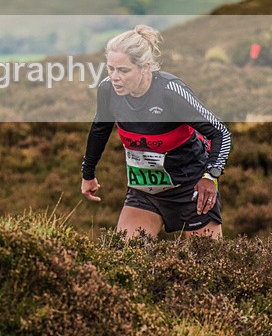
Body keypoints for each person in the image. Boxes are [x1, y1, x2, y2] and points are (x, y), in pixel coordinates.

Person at [81, 25, 231, 239]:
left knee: (207, 258)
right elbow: (99, 130)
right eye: (110, 68)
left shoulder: (170, 92)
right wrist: (88, 174)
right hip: (144, 189)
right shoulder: (107, 90)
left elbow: (221, 132)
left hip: (190, 188)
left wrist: (210, 176)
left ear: (145, 68)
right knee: (125, 254)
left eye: (123, 70)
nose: (114, 77)